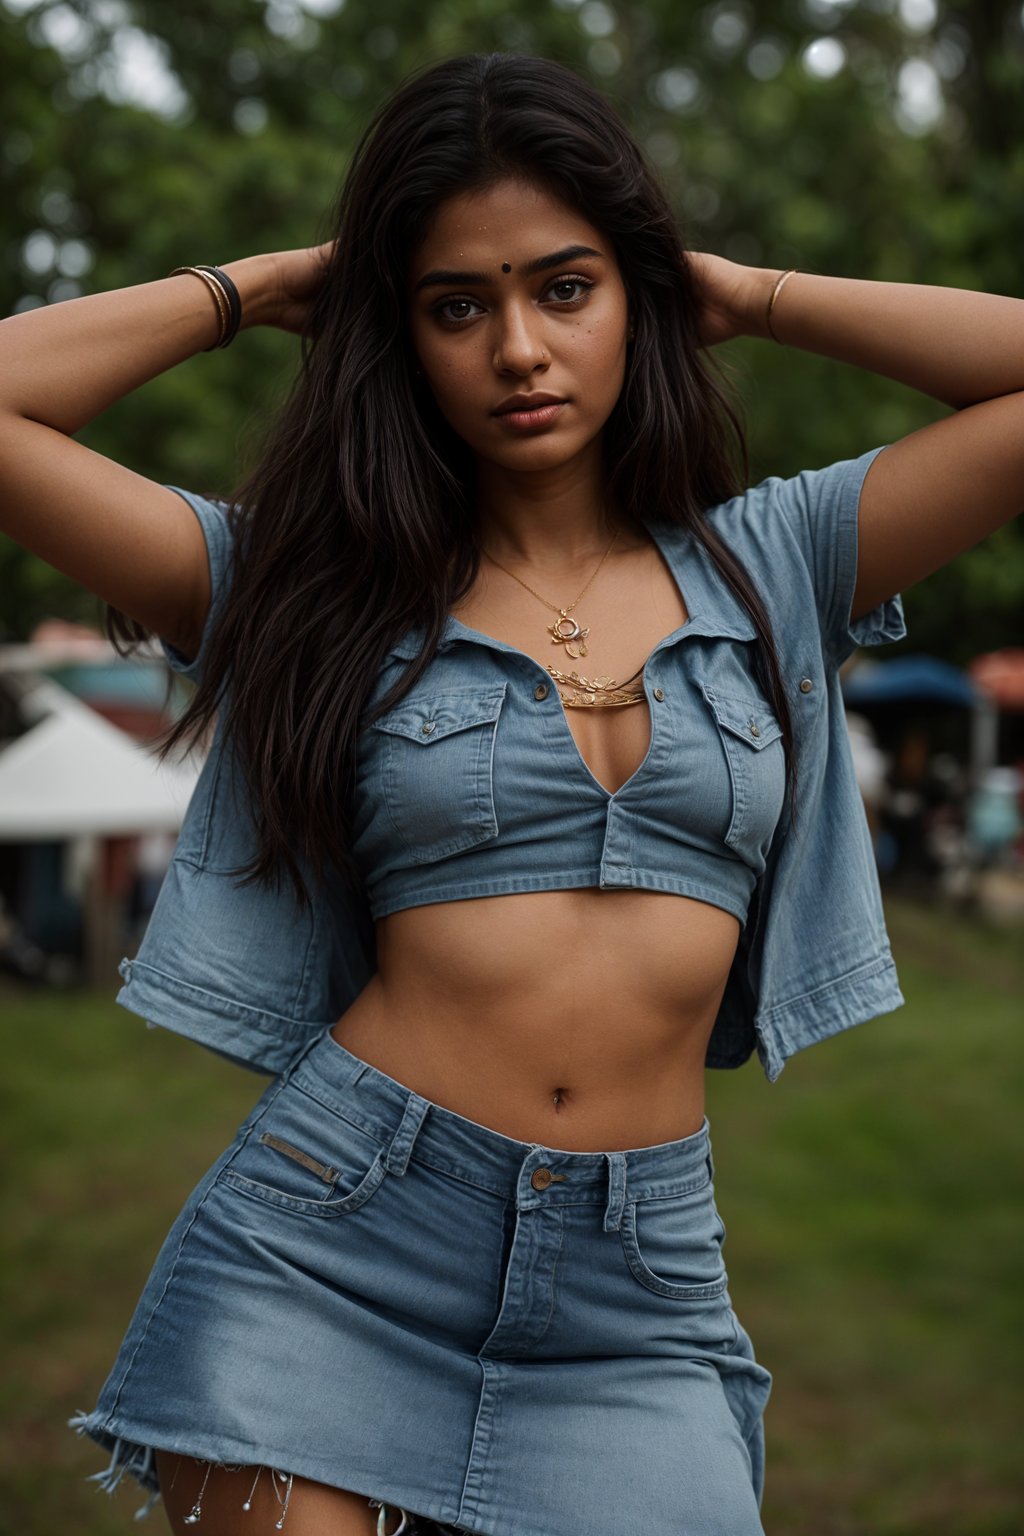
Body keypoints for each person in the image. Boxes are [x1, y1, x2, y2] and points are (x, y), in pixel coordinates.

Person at [4, 49, 1021, 1536]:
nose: (519, 350)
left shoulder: (782, 557)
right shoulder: (303, 580)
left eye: (567, 287)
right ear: (401, 335)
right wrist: (263, 286)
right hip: (331, 1244)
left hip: (643, 1284)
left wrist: (745, 292)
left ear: (635, 295)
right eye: (456, 306)